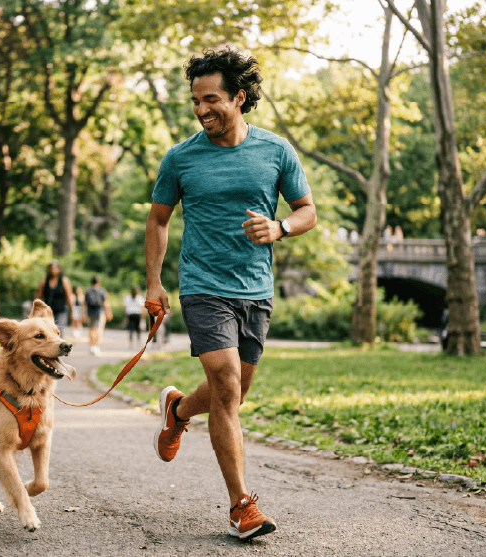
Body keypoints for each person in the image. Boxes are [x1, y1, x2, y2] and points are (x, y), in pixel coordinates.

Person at [145, 46, 316, 541]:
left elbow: (307, 211)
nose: (201, 110)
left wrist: (280, 228)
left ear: (239, 97)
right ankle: (242, 506)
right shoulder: (181, 157)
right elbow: (158, 220)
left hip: (255, 289)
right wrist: (154, 282)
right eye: (195, 101)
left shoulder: (276, 151)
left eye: (211, 99)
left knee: (235, 393)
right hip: (203, 286)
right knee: (225, 382)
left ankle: (178, 411)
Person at [35, 260, 73, 330]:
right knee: (47, 331)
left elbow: (69, 297)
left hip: (60, 311)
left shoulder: (64, 281)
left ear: (59, 269)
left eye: (55, 268)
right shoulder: (44, 281)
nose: (53, 270)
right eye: (51, 268)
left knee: (58, 331)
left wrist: (72, 313)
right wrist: (37, 310)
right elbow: (39, 297)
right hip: (47, 312)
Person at [84, 275, 112, 356]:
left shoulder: (87, 291)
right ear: (99, 282)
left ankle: (92, 347)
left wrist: (83, 314)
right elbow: (105, 303)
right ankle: (97, 347)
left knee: (91, 330)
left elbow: (84, 304)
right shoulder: (102, 291)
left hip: (90, 313)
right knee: (99, 330)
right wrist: (109, 313)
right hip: (100, 313)